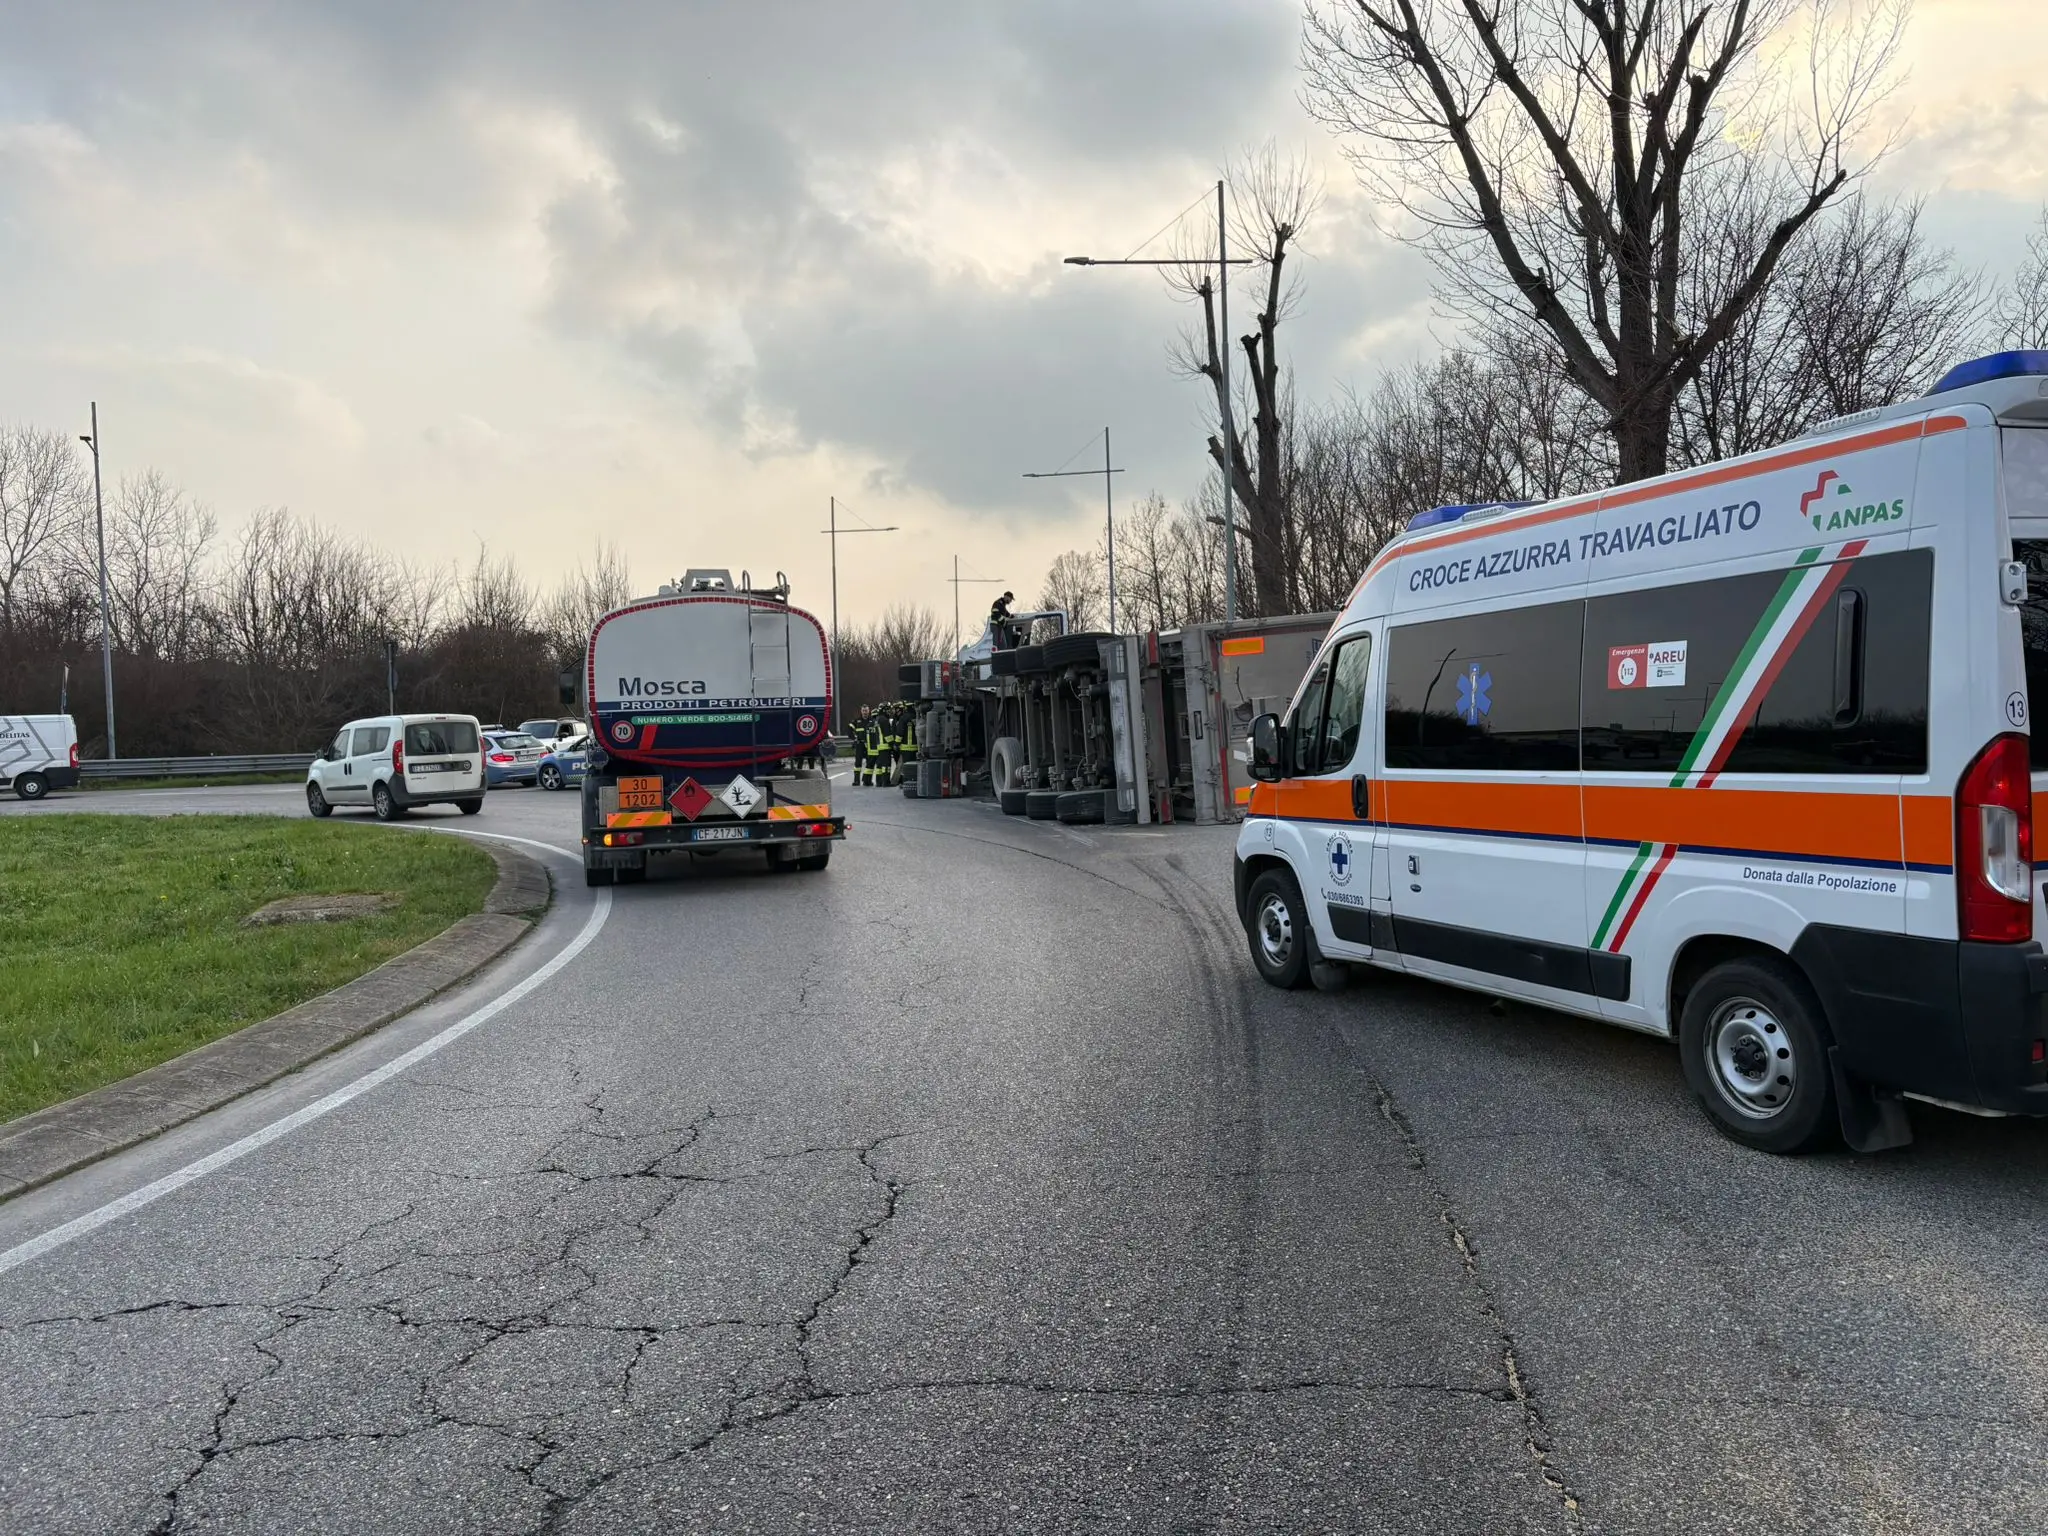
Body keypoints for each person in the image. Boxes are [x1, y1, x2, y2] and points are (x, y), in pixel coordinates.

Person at [850, 707, 872, 787]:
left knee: (869, 763)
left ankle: (867, 781)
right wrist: (854, 738)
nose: (865, 712)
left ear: (869, 711)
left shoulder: (872, 720)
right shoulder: (857, 721)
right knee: (858, 763)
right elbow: (849, 729)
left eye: (866, 710)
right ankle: (856, 781)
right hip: (860, 744)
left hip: (869, 745)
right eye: (863, 711)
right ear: (861, 711)